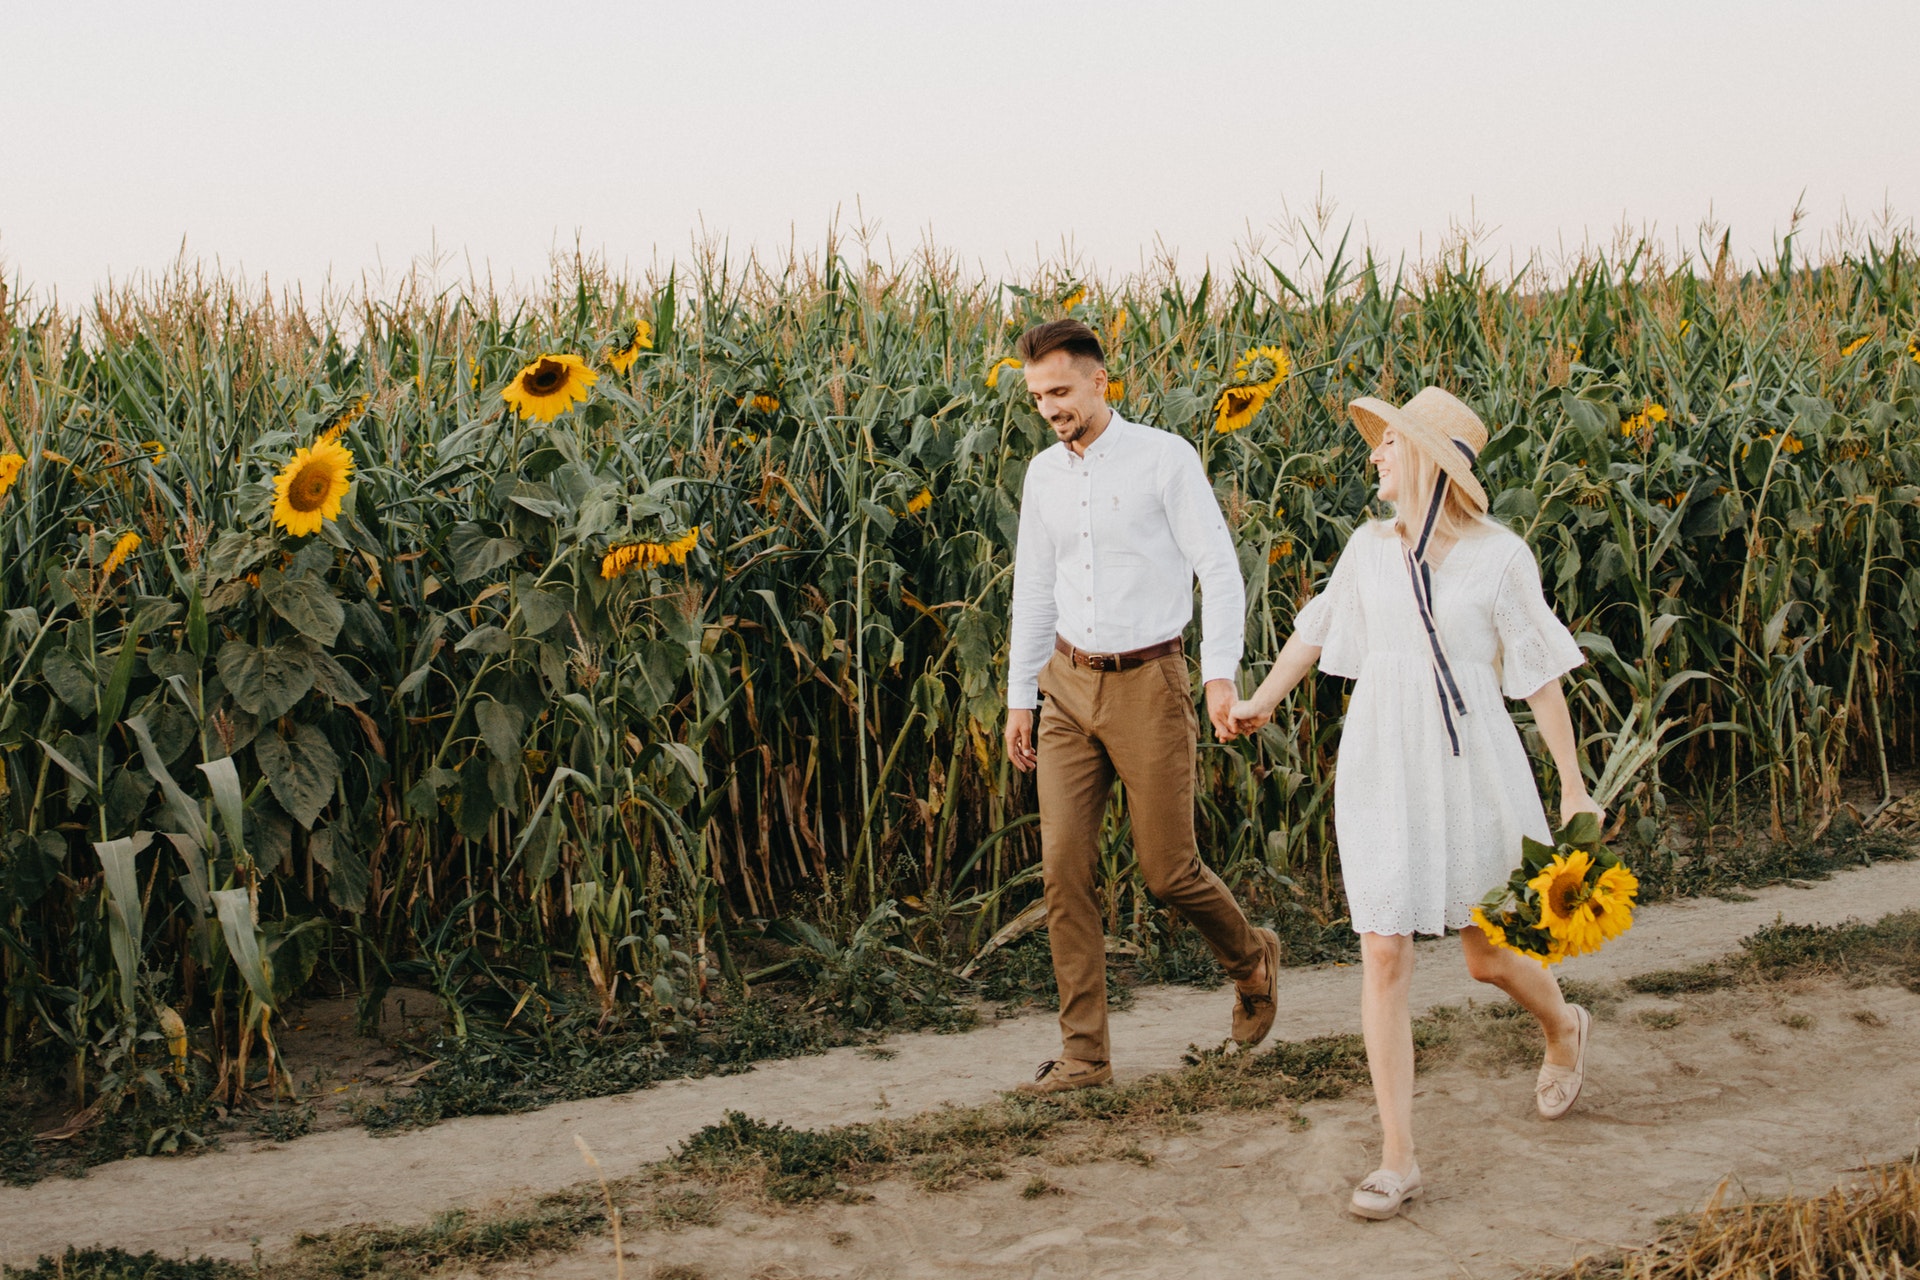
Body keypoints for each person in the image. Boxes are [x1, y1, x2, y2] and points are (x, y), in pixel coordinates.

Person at [1227, 386, 1601, 1220]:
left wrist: (1573, 783)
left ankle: (1563, 1028)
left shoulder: (1502, 557)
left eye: (1390, 445)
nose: (1375, 456)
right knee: (1385, 953)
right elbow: (1319, 628)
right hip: (1384, 761)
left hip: (1469, 767)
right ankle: (1398, 1157)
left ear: (1428, 458)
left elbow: (1538, 675)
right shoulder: (1367, 549)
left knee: (1485, 955)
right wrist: (1263, 700)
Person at [1003, 319, 1280, 1096]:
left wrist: (1220, 675)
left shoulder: (1165, 458)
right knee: (1064, 872)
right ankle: (1085, 1055)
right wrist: (1022, 696)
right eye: (1037, 396)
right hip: (1065, 685)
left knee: (1166, 871)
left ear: (1100, 380)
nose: (1049, 408)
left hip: (1149, 684)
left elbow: (1219, 570)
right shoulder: (1041, 476)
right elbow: (1034, 588)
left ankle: (1251, 957)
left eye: (1060, 390)